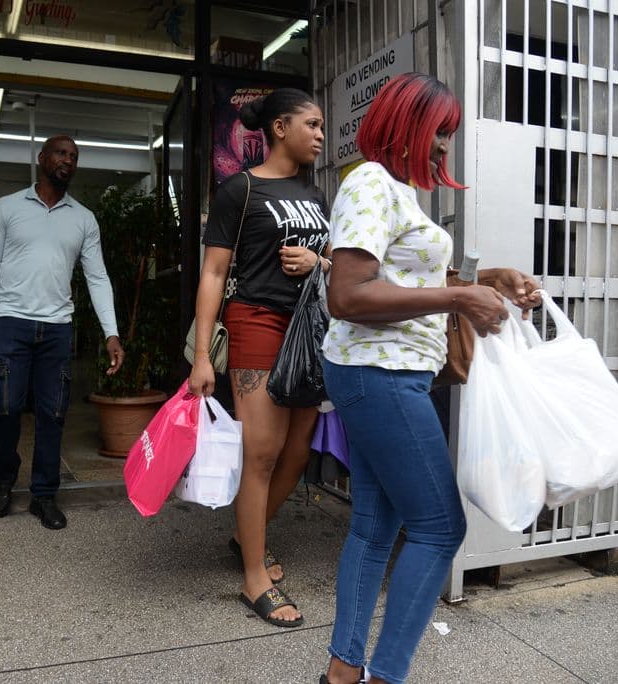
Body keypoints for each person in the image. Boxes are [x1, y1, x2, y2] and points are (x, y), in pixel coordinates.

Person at [319, 73, 541, 684]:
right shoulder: (369, 182)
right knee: (441, 528)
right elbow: (348, 293)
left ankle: (343, 673)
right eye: (438, 132)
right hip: (379, 374)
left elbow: (411, 275)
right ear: (403, 124)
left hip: (380, 375)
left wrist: (488, 279)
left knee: (373, 525)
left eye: (449, 135)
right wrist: (459, 300)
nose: (445, 146)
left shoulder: (395, 190)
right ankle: (384, 677)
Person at [188, 88, 330, 628]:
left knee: (298, 454)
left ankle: (247, 536)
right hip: (258, 322)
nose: (320, 134)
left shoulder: (315, 195)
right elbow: (213, 274)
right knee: (262, 455)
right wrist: (203, 356)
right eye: (312, 124)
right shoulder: (239, 191)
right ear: (279, 128)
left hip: (308, 329)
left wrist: (318, 258)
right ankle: (253, 579)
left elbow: (336, 259)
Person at [0, 135, 125, 530]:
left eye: (74, 156)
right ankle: (3, 480)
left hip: (57, 328)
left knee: (53, 413)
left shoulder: (84, 218)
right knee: (5, 407)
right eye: (61, 153)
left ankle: (44, 495)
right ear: (42, 158)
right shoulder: (8, 208)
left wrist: (111, 333)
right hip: (11, 323)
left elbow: (97, 277)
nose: (67, 159)